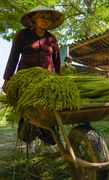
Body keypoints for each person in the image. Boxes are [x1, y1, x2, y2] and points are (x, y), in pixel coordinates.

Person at [2, 5, 65, 154]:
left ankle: (47, 143)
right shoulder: (22, 35)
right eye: (42, 17)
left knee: (48, 110)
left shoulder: (52, 38)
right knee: (28, 110)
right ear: (32, 19)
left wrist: (59, 79)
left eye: (48, 18)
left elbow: (56, 61)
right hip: (26, 81)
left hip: (46, 81)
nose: (46, 20)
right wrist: (7, 79)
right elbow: (13, 57)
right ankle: (28, 141)